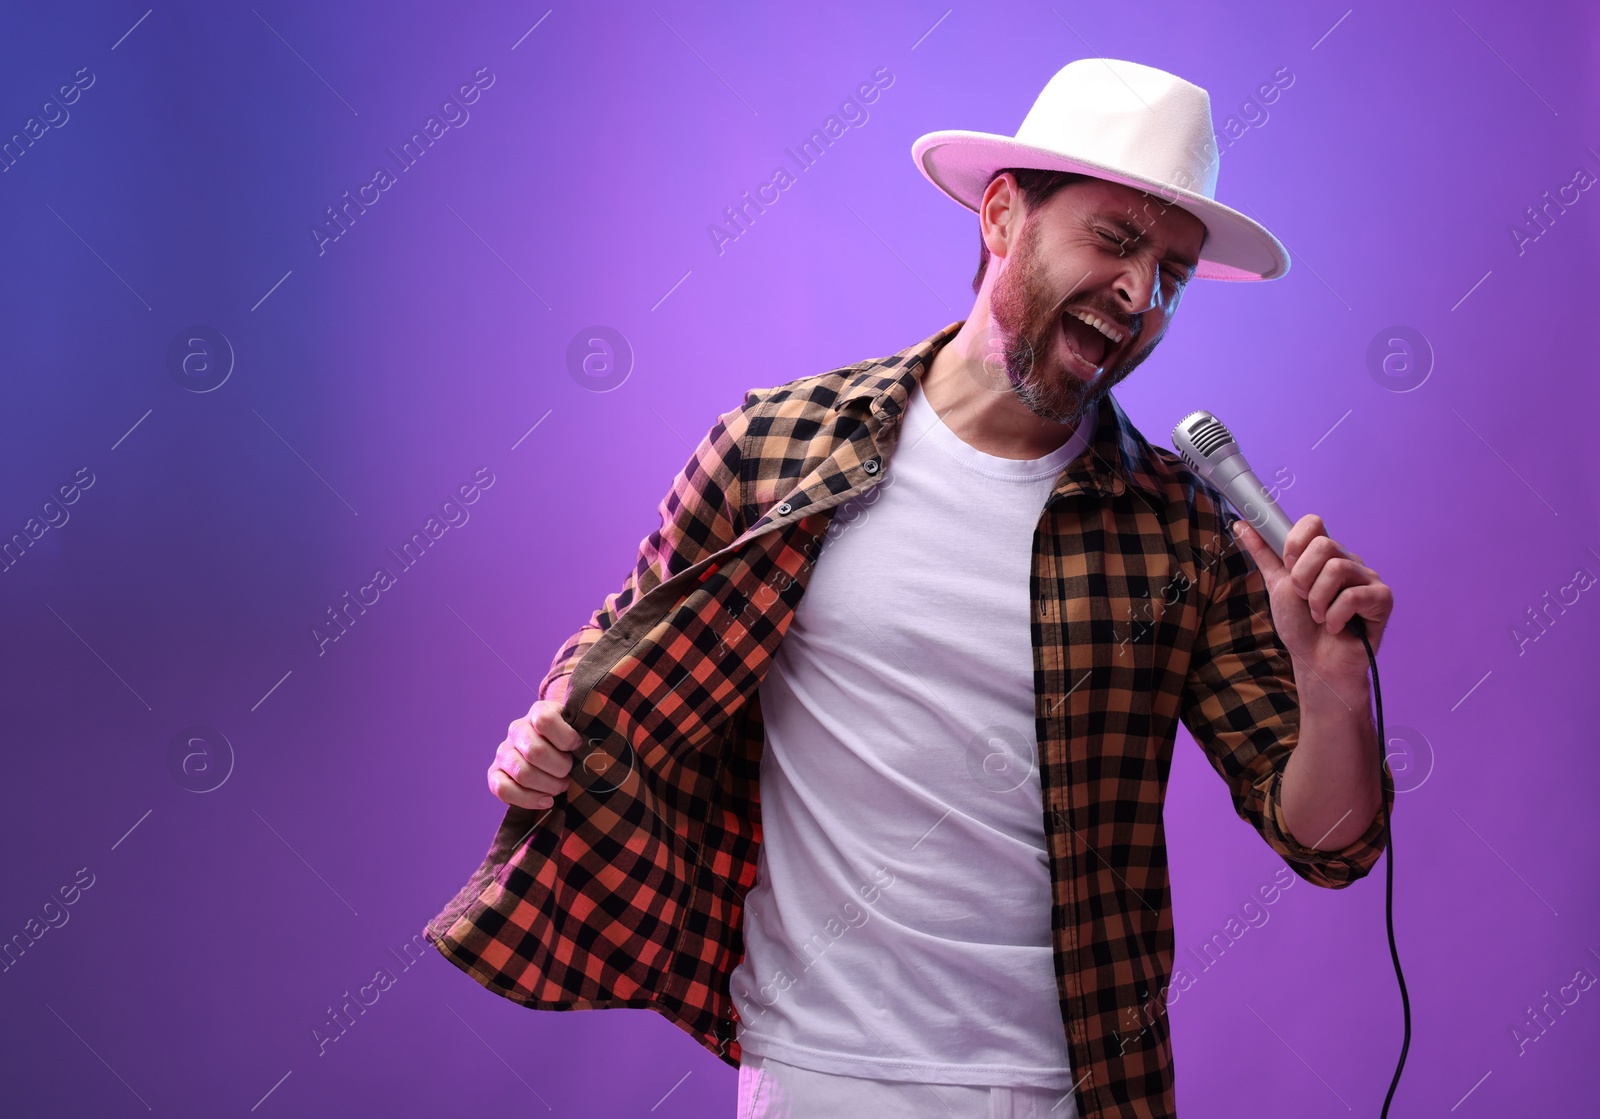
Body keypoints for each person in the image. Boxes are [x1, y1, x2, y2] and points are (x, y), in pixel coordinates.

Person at [425, 58, 1395, 1119]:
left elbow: (1330, 841)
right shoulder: (776, 449)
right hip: (819, 1076)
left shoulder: (1181, 531)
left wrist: (1330, 682)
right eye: (1115, 241)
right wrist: (546, 732)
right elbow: (628, 638)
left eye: (1170, 270)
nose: (1137, 292)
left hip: (1071, 1092)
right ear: (1000, 218)